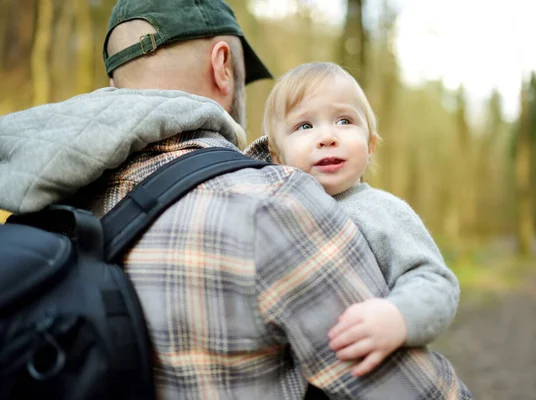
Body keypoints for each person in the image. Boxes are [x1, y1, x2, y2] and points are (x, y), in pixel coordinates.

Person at [0, 0, 471, 398]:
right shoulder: (273, 206)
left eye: (343, 122)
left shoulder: (47, 202)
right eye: (305, 125)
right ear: (223, 65)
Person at [251, 61, 460, 378]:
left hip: (369, 375)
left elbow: (436, 283)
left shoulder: (383, 212)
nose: (327, 137)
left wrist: (397, 316)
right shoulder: (269, 214)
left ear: (371, 145)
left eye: (344, 120)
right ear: (277, 156)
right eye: (304, 126)